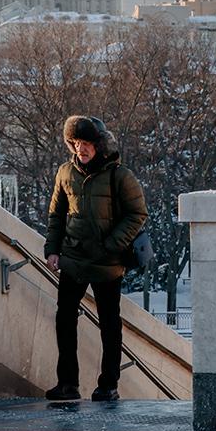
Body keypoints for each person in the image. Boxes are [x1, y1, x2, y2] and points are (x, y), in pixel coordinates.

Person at [43, 116, 147, 402]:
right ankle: (67, 383)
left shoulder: (119, 175)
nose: (81, 149)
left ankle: (108, 384)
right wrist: (52, 250)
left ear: (99, 145)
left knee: (109, 324)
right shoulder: (65, 172)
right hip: (73, 259)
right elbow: (56, 215)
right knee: (65, 320)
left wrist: (112, 245)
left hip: (107, 263)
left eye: (86, 143)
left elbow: (137, 213)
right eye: (76, 143)